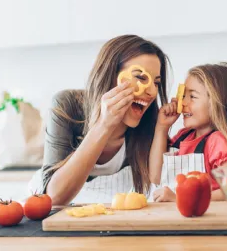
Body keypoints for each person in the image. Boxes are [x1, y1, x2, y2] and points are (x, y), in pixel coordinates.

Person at [29, 35, 170, 205]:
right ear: (110, 75)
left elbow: (155, 187)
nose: (152, 92)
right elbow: (54, 198)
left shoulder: (151, 124)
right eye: (140, 78)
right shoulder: (68, 106)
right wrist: (104, 124)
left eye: (156, 83)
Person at [149, 62, 227, 202]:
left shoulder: (218, 141)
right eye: (183, 96)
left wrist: (180, 198)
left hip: (206, 222)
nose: (183, 103)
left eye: (192, 97)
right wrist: (162, 128)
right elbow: (155, 177)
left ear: (217, 103)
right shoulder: (183, 136)